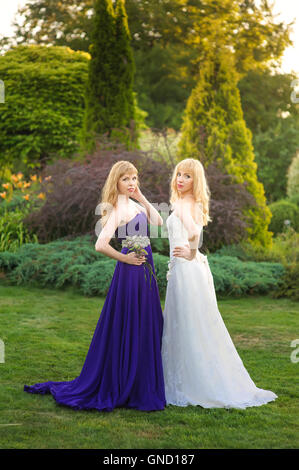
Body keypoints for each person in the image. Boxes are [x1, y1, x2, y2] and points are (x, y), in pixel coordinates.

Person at [24, 161, 166, 412]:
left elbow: (158, 223)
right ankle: (126, 382)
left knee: (145, 323)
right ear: (116, 182)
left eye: (134, 178)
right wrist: (126, 258)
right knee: (130, 323)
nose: (132, 183)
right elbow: (100, 244)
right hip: (131, 272)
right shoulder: (117, 210)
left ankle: (138, 382)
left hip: (145, 271)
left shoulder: (134, 204)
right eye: (126, 179)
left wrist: (141, 196)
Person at [161, 158, 278, 409]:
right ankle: (195, 378)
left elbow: (194, 233)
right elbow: (195, 233)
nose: (180, 179)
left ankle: (189, 383)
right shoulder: (192, 202)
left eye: (187, 176)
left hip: (186, 270)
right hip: (191, 271)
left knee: (187, 325)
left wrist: (191, 253)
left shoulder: (183, 204)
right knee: (195, 326)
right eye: (179, 174)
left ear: (196, 181)